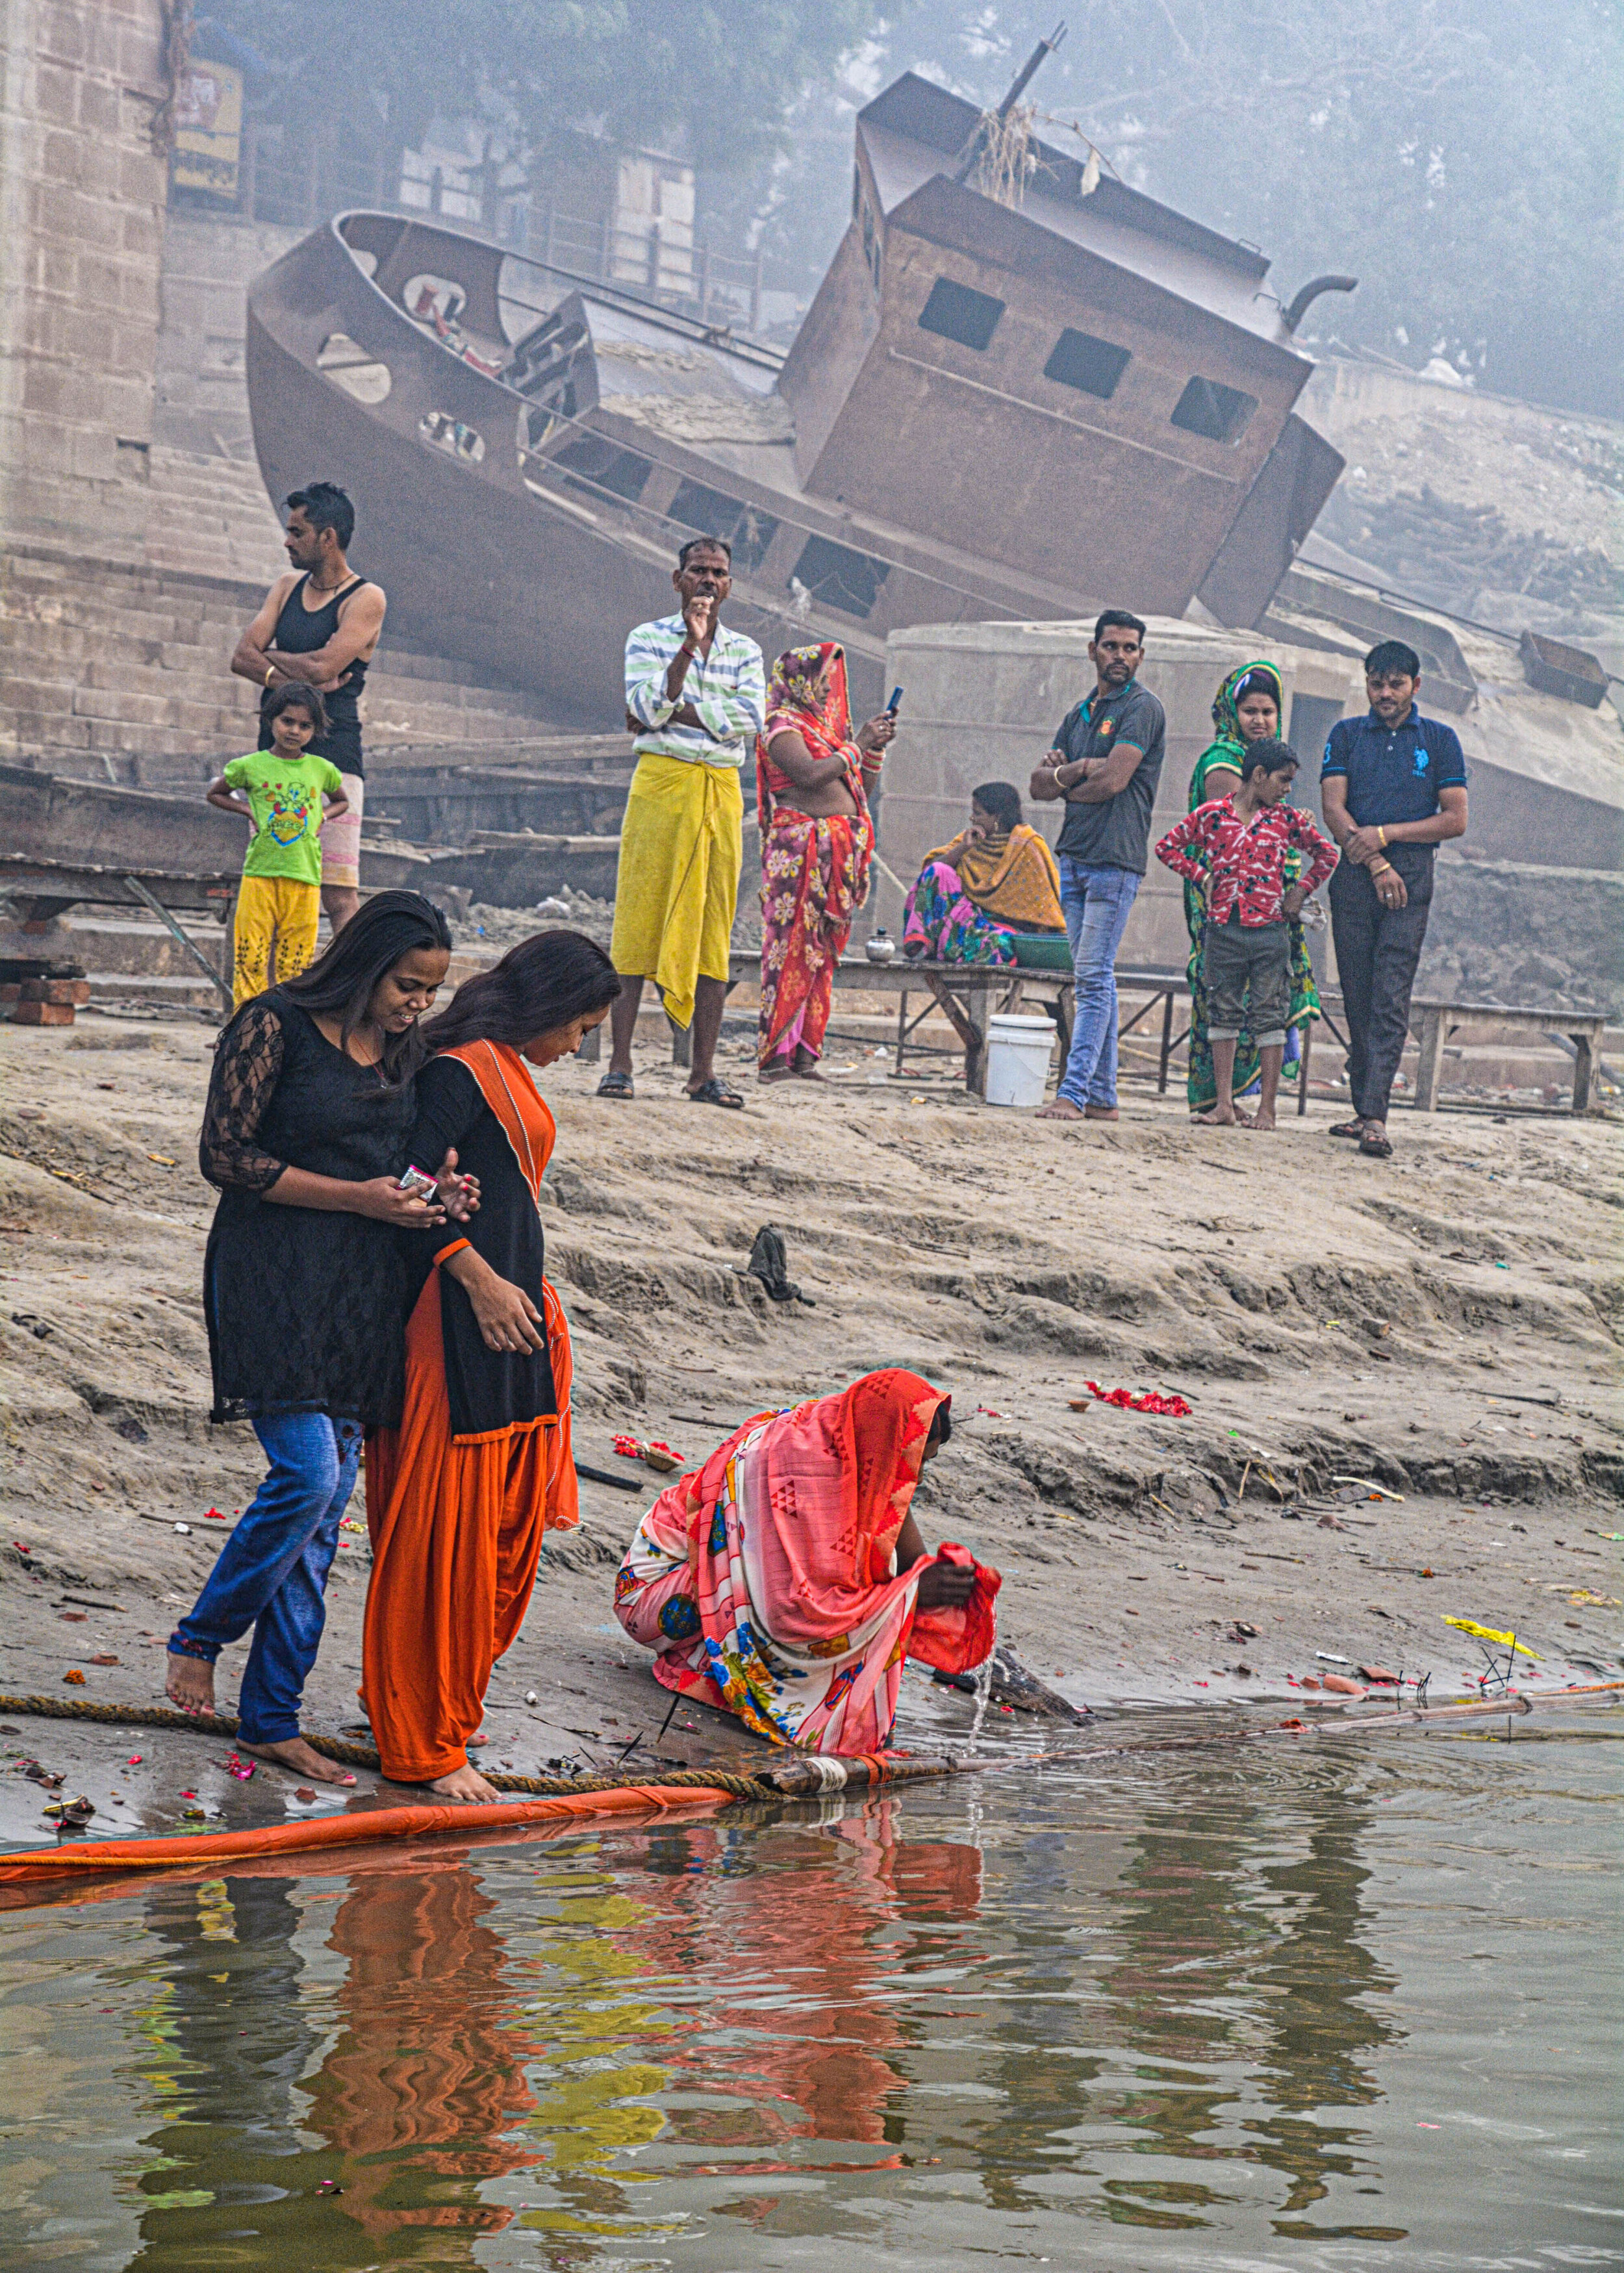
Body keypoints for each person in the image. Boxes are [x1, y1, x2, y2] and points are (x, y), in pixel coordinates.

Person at [166, 892, 461, 1786]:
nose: (418, 1004)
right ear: (367, 964)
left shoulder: (402, 1050)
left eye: (431, 992)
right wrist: (361, 1196)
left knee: (326, 1520)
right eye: (408, 985)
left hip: (360, 1289)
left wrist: (436, 1196)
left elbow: (391, 1166)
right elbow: (227, 1155)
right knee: (308, 1474)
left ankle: (272, 1716)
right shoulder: (274, 1024)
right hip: (270, 1272)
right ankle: (199, 1636)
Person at [364, 930, 621, 1801]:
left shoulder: (500, 1063)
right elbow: (401, 1185)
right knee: (441, 1531)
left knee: (498, 1526)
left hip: (511, 1317)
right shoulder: (461, 1068)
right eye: (580, 1027)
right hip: (452, 1319)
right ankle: (422, 1742)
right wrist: (475, 1277)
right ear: (548, 1004)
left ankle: (439, 1708)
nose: (577, 1047)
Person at [613, 1370, 1001, 1757]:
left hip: (708, 1581)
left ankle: (725, 1662)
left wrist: (938, 1582)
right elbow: (790, 1611)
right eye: (907, 1463)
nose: (910, 1477)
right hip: (653, 1595)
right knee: (858, 1605)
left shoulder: (853, 1440)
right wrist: (911, 1593)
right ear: (884, 1442)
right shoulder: (797, 1462)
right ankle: (710, 1664)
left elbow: (910, 1561)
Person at [600, 536, 766, 1107]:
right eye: (698, 571)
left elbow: (749, 718)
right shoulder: (647, 638)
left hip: (719, 791)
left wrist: (681, 710)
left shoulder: (746, 650)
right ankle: (620, 1063)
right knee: (638, 918)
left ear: (729, 585)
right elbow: (646, 709)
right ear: (678, 580)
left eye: (718, 573)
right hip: (660, 785)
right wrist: (687, 655)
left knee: (712, 928)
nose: (707, 581)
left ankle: (702, 1072)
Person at [1321, 640, 1469, 1159]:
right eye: (1377, 682)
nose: (1385, 693)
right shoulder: (1344, 735)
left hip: (1411, 875)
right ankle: (1364, 1107)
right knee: (1358, 991)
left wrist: (1387, 836)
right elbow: (1334, 808)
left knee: (1390, 992)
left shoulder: (1440, 739)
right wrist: (1373, 856)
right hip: (1357, 873)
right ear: (1366, 683)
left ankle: (1377, 1115)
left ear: (1416, 686)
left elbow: (1455, 818)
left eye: (1396, 683)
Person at [1155, 740, 1338, 1129]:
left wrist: (1300, 890)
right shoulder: (1212, 816)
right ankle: (1224, 1104)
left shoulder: (1287, 820)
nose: (1288, 789)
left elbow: (1327, 855)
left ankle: (1267, 1110)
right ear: (1258, 776)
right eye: (1283, 780)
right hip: (1223, 930)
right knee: (1223, 1013)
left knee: (1270, 1017)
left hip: (1271, 932)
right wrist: (1202, 876)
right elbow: (1167, 847)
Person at [231, 481, 387, 937]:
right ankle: (266, 1000)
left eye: (297, 532)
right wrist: (288, 677)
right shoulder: (285, 587)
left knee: (337, 893)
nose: (287, 541)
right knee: (268, 884)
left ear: (328, 537)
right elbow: (242, 655)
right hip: (272, 758)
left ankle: (350, 997)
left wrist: (271, 654)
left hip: (332, 757)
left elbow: (324, 667)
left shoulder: (366, 598)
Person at [1030, 611, 1166, 1122]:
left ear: (1141, 656)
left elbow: (1114, 781)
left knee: (1089, 978)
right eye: (1111, 647)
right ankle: (1103, 1097)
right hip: (1076, 854)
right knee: (1096, 977)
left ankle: (1074, 1093)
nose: (1120, 657)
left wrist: (1068, 780)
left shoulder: (1142, 708)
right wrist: (1076, 770)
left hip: (1115, 859)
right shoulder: (1081, 713)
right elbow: (1037, 786)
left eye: (1130, 648)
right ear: (1093, 651)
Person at [1182, 661, 1324, 1116]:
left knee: (1261, 1007)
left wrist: (1300, 881)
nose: (1259, 719)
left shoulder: (1268, 765)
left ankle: (1253, 1105)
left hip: (1264, 913)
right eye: (1249, 710)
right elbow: (1227, 836)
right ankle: (1222, 1100)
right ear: (1231, 711)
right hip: (1232, 911)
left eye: (1268, 710)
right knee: (1227, 1003)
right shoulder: (1224, 762)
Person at [756, 641, 891, 1082]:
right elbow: (811, 776)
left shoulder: (827, 729)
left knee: (823, 956)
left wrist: (873, 751)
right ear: (798, 681)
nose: (827, 690)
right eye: (819, 680)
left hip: (836, 856)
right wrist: (858, 744)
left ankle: (806, 1056)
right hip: (799, 854)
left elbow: (857, 790)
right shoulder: (781, 725)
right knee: (791, 950)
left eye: (830, 682)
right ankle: (776, 1057)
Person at [207, 683, 350, 1011]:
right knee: (251, 960)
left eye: (305, 726)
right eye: (288, 721)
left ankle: (287, 1029)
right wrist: (247, 809)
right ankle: (244, 1027)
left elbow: (342, 801)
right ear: (271, 720)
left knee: (296, 966)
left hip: (305, 878)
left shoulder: (321, 770)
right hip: (260, 875)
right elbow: (216, 794)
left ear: (314, 730)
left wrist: (322, 818)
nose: (295, 731)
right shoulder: (250, 766)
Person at [902, 780, 1065, 964]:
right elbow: (931, 872)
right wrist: (963, 848)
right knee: (939, 870)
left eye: (978, 813)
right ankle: (925, 947)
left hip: (1009, 932)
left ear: (997, 817)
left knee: (997, 945)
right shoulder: (970, 840)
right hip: (968, 924)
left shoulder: (1029, 846)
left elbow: (1043, 910)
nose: (972, 819)